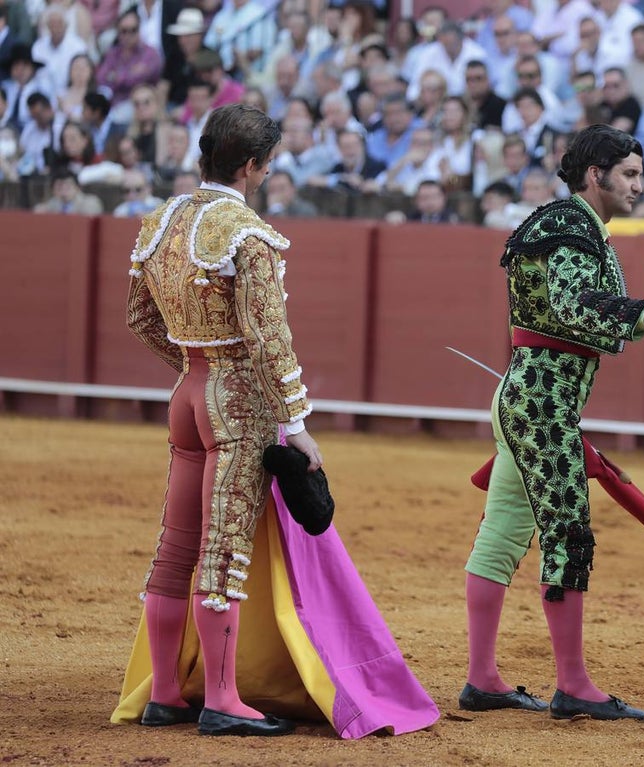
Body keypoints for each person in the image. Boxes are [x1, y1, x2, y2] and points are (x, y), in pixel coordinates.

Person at [117, 104, 439, 738]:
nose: (266, 174)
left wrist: (193, 366)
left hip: (187, 394)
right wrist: (295, 421)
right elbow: (268, 338)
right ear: (249, 165)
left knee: (174, 547)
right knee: (221, 551)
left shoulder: (161, 222)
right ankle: (221, 699)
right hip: (236, 403)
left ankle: (165, 695)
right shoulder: (247, 233)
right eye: (266, 164)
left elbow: (140, 319)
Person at [461, 124, 644, 722]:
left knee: (504, 530)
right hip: (542, 403)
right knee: (567, 534)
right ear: (595, 175)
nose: (638, 185)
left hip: (530, 394)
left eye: (640, 175)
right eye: (629, 174)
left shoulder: (570, 225)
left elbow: (574, 312)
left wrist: (640, 316)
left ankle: (482, 679)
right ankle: (574, 684)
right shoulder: (569, 228)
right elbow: (571, 305)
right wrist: (642, 312)